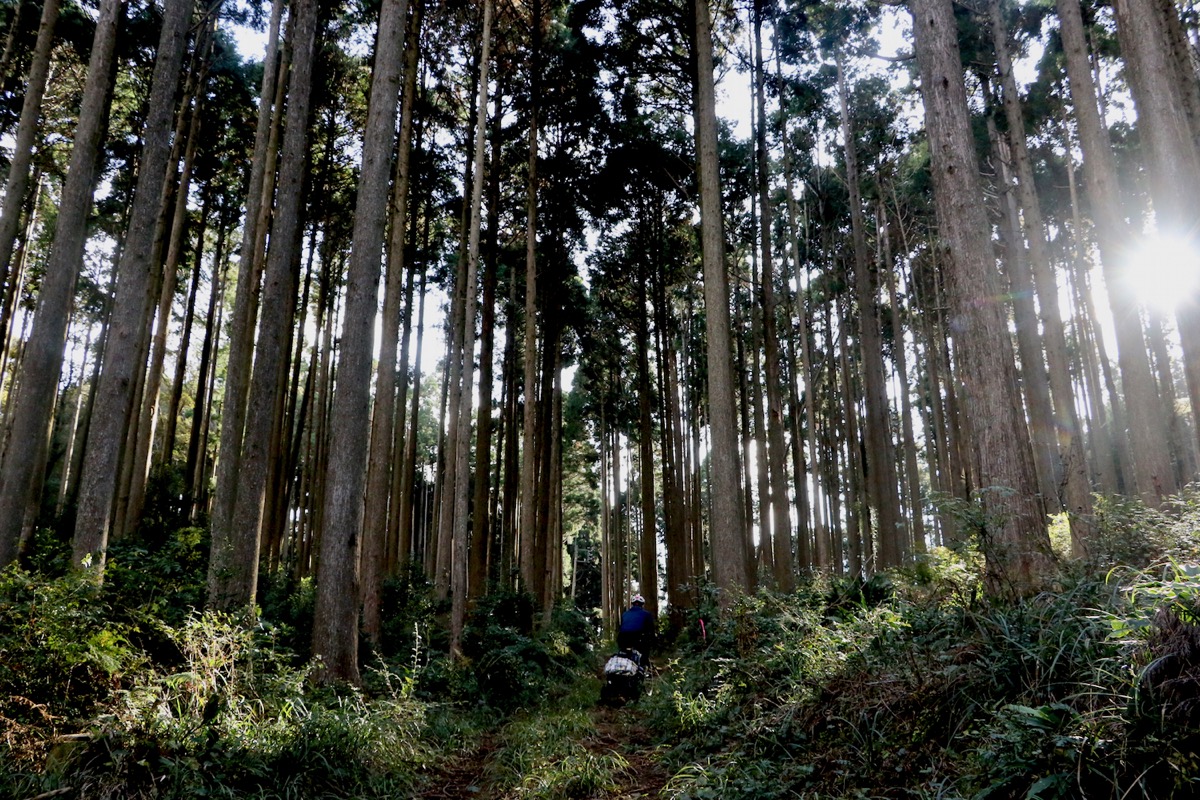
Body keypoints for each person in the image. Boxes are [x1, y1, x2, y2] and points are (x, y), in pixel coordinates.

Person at [617, 594, 654, 669]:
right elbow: (650, 628)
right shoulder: (646, 614)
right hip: (638, 638)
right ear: (642, 605)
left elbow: (621, 626)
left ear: (632, 604)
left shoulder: (625, 614)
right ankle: (644, 666)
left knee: (623, 651)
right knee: (645, 649)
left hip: (622, 638)